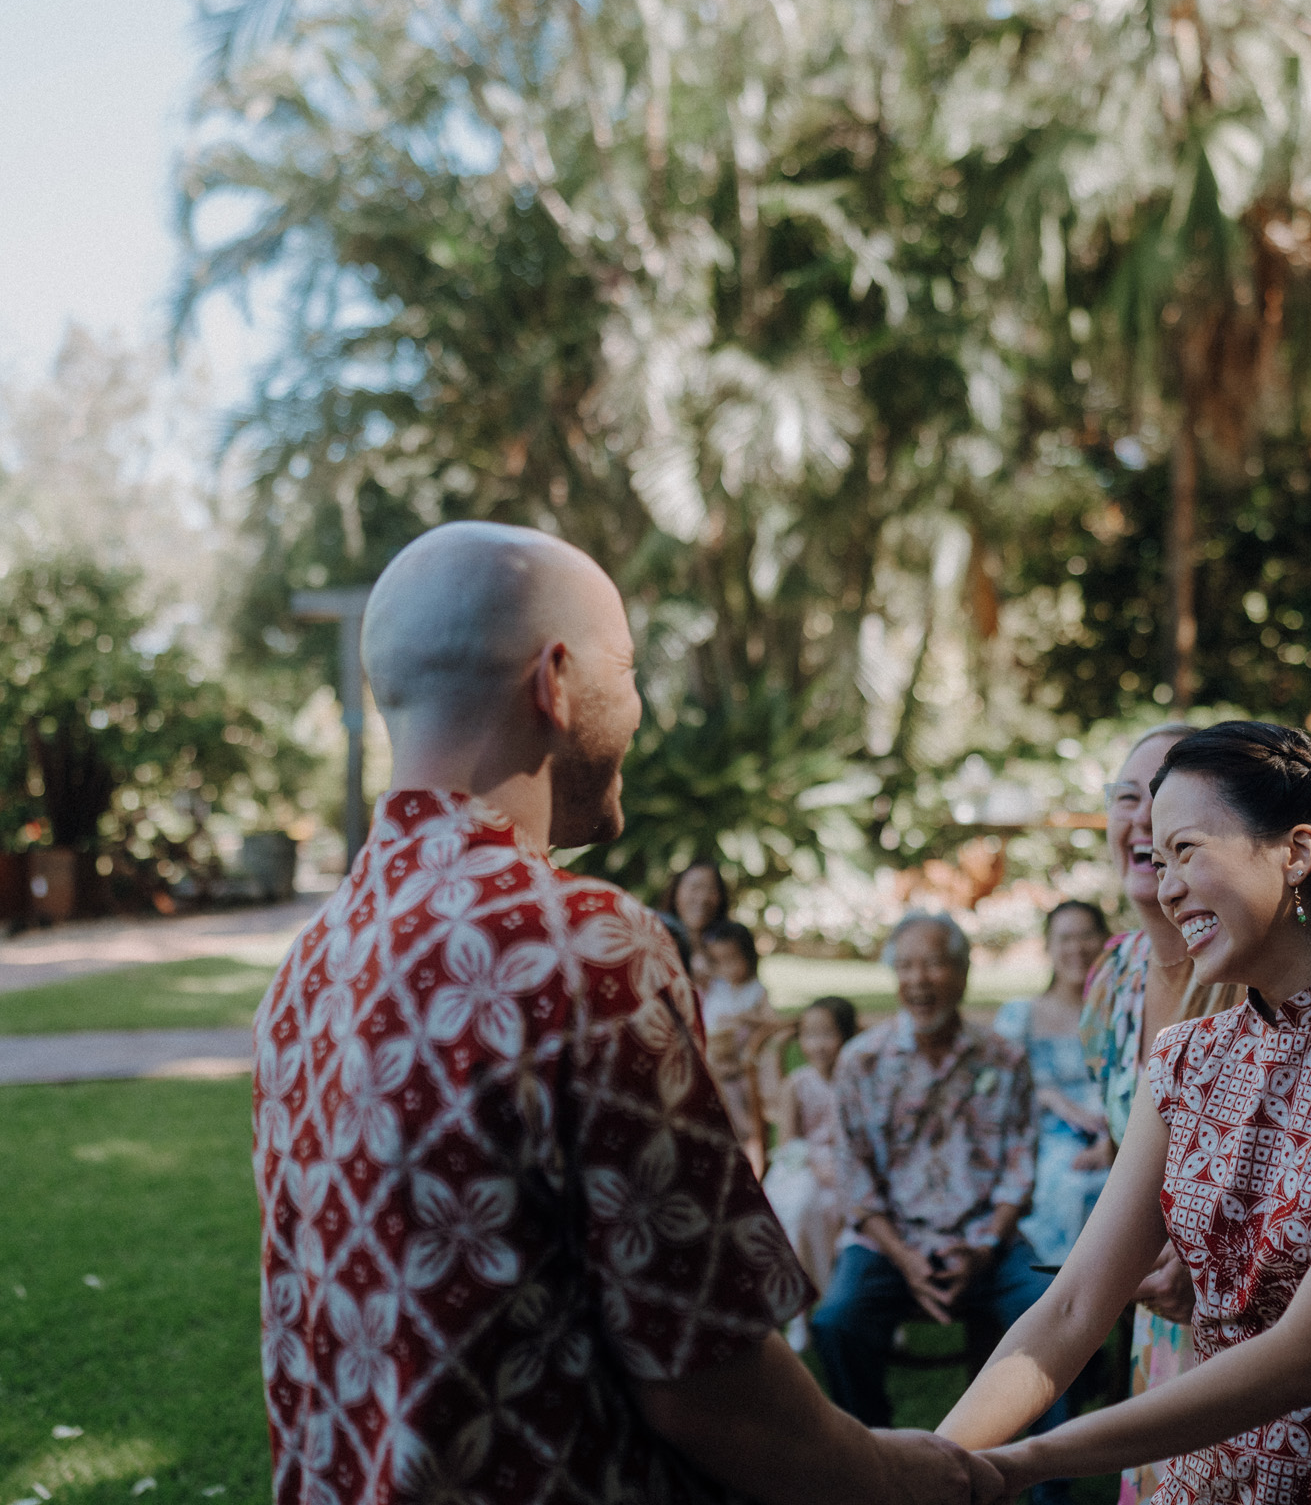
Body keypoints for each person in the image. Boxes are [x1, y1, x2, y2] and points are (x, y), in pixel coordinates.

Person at [251, 522, 994, 1505]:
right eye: (629, 669)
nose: (640, 709)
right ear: (555, 682)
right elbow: (707, 1382)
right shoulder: (584, 947)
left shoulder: (312, 962)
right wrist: (903, 1477)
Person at [938, 722, 1311, 1503]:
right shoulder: (1184, 1060)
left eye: (1185, 850)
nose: (1163, 882)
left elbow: (1305, 1356)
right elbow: (1077, 1305)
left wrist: (1022, 1462)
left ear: (1296, 852)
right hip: (1207, 1479)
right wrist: (935, 1458)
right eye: (1155, 855)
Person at [811, 912, 1074, 1496]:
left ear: (962, 973)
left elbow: (1018, 1171)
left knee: (1052, 1314)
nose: (919, 979)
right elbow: (858, 1184)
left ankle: (1048, 1483)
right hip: (890, 1244)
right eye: (905, 966)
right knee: (836, 1320)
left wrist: (982, 1248)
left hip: (988, 1240)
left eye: (933, 963)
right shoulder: (863, 1060)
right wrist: (906, 1259)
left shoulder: (1002, 1057)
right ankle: (872, 1458)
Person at [1076, 723, 1244, 1505]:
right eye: (1126, 796)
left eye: (1167, 798)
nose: (1142, 818)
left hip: (1299, 1318)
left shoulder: (1262, 974)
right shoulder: (1111, 980)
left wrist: (1210, 1257)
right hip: (1168, 1316)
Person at [992, 901, 1112, 1265]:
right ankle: (1059, 1293)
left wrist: (1114, 1141)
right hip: (1044, 1136)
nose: (1076, 949)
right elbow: (995, 1091)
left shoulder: (1122, 1011)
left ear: (1105, 941)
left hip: (1120, 1131)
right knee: (1070, 1184)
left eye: (1087, 936)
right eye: (1065, 938)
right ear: (1048, 946)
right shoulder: (1020, 1016)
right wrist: (1049, 1097)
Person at [763, 995, 857, 1305]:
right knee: (803, 1204)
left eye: (827, 1035)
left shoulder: (856, 1082)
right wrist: (816, 1162)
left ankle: (846, 1293)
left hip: (846, 1164)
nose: (817, 1045)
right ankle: (808, 1299)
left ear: (847, 1035)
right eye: (809, 1035)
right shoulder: (796, 1084)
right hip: (804, 1165)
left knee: (839, 1204)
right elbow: (787, 1142)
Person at [700, 917, 783, 1174]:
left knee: (752, 1121)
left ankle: (757, 1160)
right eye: (720, 961)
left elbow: (773, 1023)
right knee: (730, 1119)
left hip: (745, 1064)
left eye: (733, 959)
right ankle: (738, 1158)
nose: (727, 967)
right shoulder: (715, 988)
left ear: (748, 956)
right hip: (718, 1065)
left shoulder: (755, 991)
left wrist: (747, 1017)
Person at [661, 857, 731, 979]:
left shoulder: (731, 949)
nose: (703, 898)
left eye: (711, 889)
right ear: (676, 892)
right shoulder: (657, 940)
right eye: (695, 887)